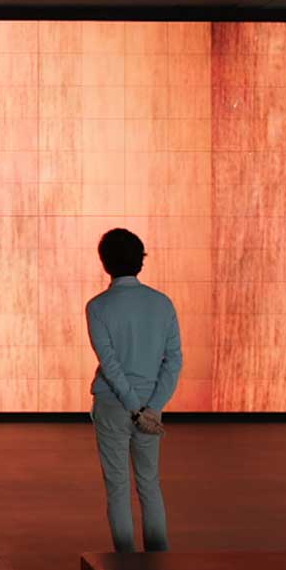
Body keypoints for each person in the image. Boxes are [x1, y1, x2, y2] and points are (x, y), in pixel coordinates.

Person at [86, 228, 183, 552]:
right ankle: (159, 560)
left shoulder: (98, 307)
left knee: (117, 487)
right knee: (149, 485)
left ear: (105, 262)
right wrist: (152, 407)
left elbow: (109, 363)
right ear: (141, 260)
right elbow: (174, 361)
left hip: (114, 406)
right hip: (150, 409)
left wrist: (132, 406)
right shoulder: (161, 303)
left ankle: (124, 566)